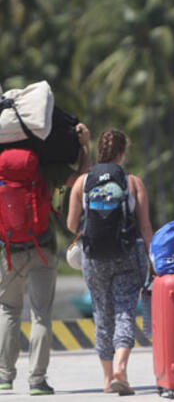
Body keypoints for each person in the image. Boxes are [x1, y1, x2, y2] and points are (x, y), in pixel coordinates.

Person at [0, 123, 91, 395]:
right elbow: (81, 178)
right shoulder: (45, 166)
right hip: (43, 247)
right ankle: (37, 380)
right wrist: (85, 145)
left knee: (8, 310)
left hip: (7, 251)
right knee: (41, 315)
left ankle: (4, 376)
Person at [66, 129, 153, 395]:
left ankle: (106, 380)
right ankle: (121, 369)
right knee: (126, 310)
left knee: (102, 315)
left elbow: (71, 224)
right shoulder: (132, 182)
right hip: (128, 254)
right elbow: (145, 226)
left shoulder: (83, 181)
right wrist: (153, 261)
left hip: (94, 257)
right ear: (122, 152)